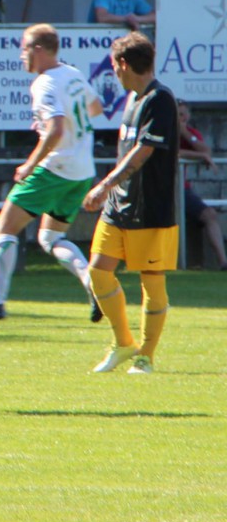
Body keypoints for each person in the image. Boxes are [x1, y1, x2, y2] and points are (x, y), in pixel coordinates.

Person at [0, 24, 103, 321]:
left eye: (25, 48)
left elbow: (56, 130)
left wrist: (30, 164)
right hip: (81, 171)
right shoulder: (72, 73)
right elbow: (95, 107)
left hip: (54, 168)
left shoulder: (44, 83)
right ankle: (94, 284)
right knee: (51, 238)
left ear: (38, 50)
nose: (21, 55)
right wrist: (52, 122)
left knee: (3, 228)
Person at [83, 33, 180, 375]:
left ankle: (146, 356)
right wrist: (112, 190)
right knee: (98, 271)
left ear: (123, 64)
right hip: (118, 205)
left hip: (151, 207)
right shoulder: (132, 99)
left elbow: (144, 150)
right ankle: (124, 343)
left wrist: (104, 184)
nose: (114, 74)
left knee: (151, 281)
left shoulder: (160, 99)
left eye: (114, 67)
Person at [178, 100, 226, 269]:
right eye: (177, 115)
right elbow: (173, 153)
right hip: (163, 188)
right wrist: (200, 156)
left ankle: (223, 262)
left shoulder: (191, 133)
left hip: (182, 188)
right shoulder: (163, 131)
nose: (180, 118)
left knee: (209, 214)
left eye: (183, 115)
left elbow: (206, 150)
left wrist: (185, 133)